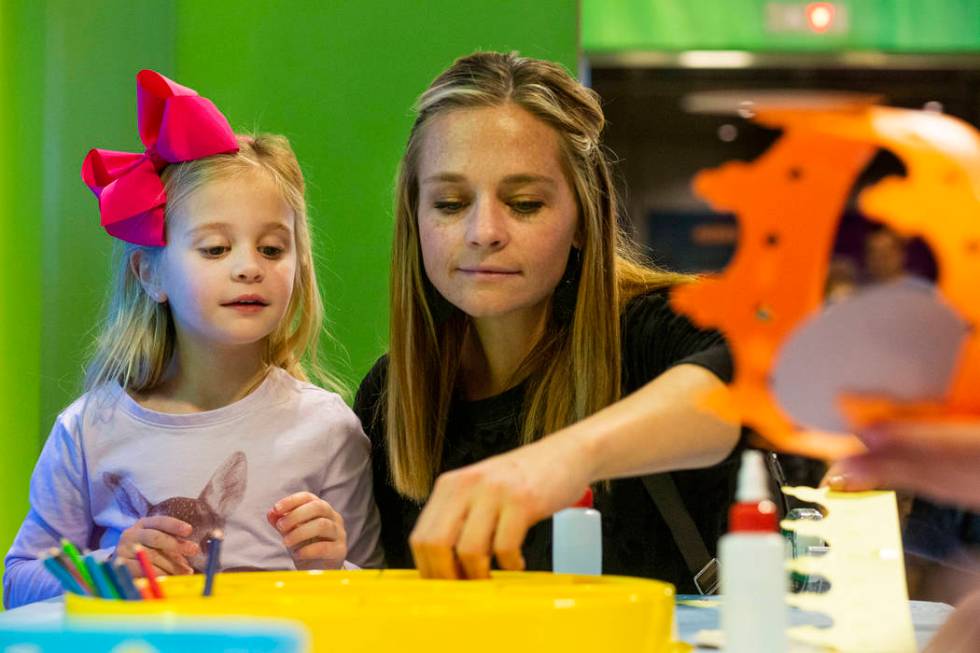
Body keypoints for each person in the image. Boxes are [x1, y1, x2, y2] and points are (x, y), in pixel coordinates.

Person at [353, 52, 741, 587]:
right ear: (414, 218)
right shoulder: (390, 396)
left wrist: (561, 461)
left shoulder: (658, 328)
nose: (483, 230)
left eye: (525, 203)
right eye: (448, 203)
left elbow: (743, 383)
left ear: (584, 217)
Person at [3, 70, 381, 609]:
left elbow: (375, 597)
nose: (249, 267)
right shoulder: (89, 430)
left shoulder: (328, 428)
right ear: (149, 275)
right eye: (215, 249)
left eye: (273, 249)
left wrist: (328, 568)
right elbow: (16, 583)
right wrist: (110, 569)